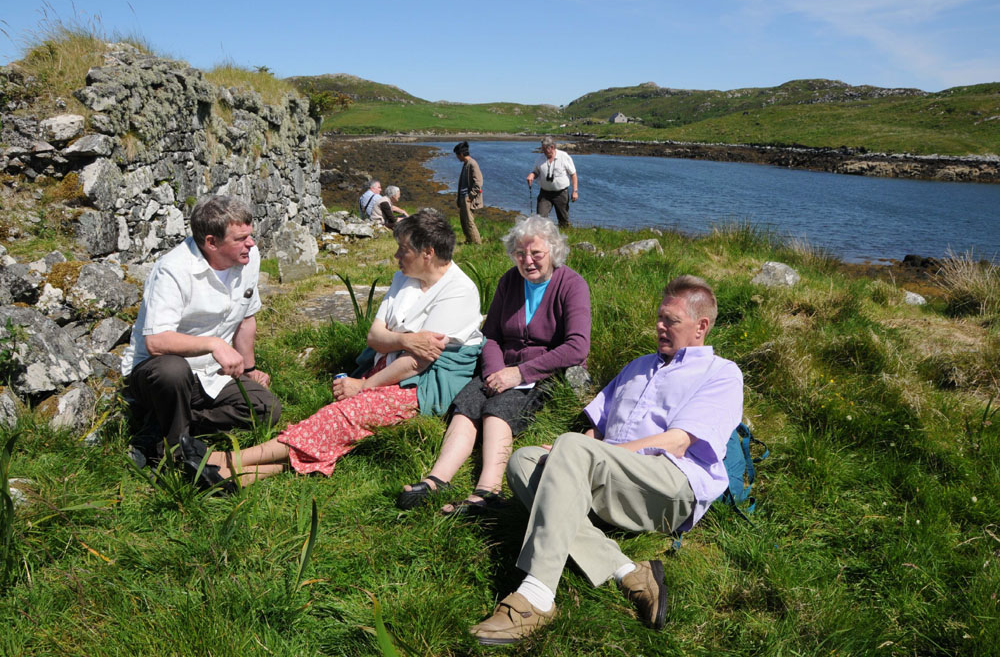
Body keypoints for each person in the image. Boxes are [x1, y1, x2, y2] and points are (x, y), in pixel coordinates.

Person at [469, 275, 744, 645]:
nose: (660, 326)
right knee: (524, 461)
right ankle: (626, 571)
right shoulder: (638, 366)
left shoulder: (722, 373)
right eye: (659, 317)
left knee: (571, 448)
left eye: (672, 321)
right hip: (612, 476)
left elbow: (678, 442)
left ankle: (536, 596)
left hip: (671, 486)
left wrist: (580, 454)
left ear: (701, 326)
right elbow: (597, 431)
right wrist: (569, 456)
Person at [204, 211, 484, 486]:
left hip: (425, 383)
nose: (397, 256)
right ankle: (241, 477)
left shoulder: (459, 291)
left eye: (404, 249)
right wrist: (406, 341)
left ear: (428, 253)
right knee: (342, 423)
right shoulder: (405, 278)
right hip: (393, 365)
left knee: (341, 416)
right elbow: (374, 336)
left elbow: (416, 363)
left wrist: (363, 386)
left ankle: (227, 460)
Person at [397, 216, 591, 515]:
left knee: (499, 409)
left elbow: (577, 347)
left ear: (553, 251)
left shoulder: (572, 284)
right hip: (501, 367)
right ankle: (436, 480)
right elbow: (490, 336)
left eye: (536, 253)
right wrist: (494, 372)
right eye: (520, 254)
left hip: (542, 373)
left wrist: (519, 374)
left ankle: (488, 492)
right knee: (467, 404)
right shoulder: (509, 281)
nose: (528, 261)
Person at [122, 195, 281, 467]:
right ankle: (174, 454)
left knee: (267, 409)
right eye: (241, 238)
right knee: (172, 370)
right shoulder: (173, 269)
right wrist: (215, 344)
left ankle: (166, 426)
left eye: (250, 235)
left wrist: (250, 369)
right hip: (159, 374)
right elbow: (156, 342)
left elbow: (245, 318)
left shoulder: (248, 258)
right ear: (211, 242)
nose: (251, 244)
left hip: (213, 374)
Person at [526, 136, 578, 228]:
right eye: (542, 148)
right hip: (545, 194)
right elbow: (536, 171)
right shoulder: (540, 159)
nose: (543, 151)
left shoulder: (564, 156)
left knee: (563, 220)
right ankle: (543, 236)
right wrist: (532, 175)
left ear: (552, 147)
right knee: (540, 219)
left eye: (544, 149)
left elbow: (573, 174)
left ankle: (565, 234)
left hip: (561, 193)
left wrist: (575, 191)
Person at [454, 141, 483, 245]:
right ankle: (469, 240)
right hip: (463, 197)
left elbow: (478, 182)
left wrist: (470, 197)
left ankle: (477, 243)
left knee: (469, 222)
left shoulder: (472, 164)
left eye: (457, 155)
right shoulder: (466, 164)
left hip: (468, 198)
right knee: (464, 221)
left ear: (461, 154)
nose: (457, 157)